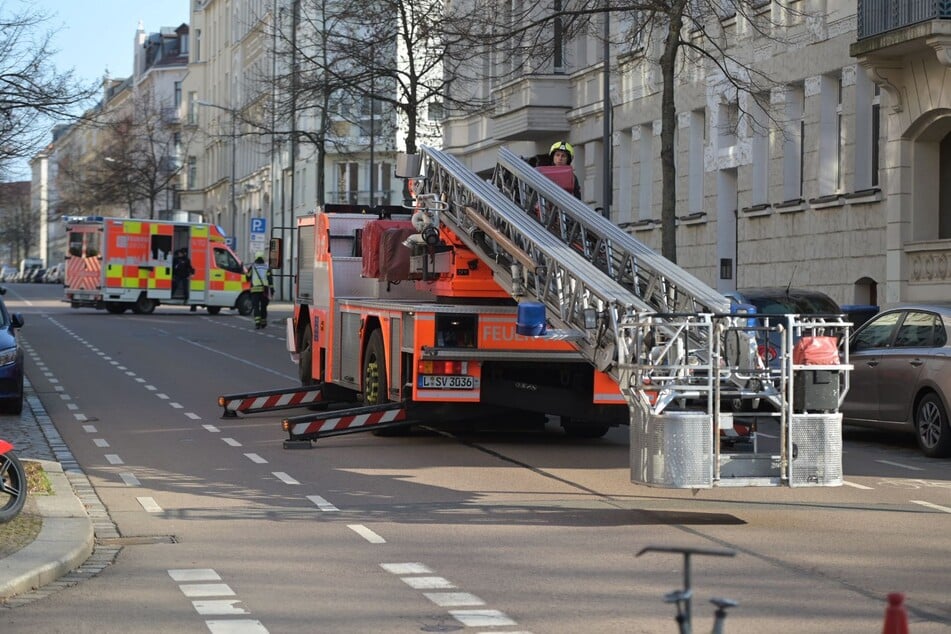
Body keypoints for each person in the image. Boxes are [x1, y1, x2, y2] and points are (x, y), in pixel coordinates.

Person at [247, 251, 274, 329]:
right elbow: (270, 279)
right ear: (263, 258)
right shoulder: (267, 267)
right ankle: (263, 322)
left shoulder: (252, 267)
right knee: (263, 307)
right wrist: (271, 290)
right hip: (264, 290)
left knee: (256, 306)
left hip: (255, 290)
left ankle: (257, 322)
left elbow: (247, 277)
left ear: (255, 258)